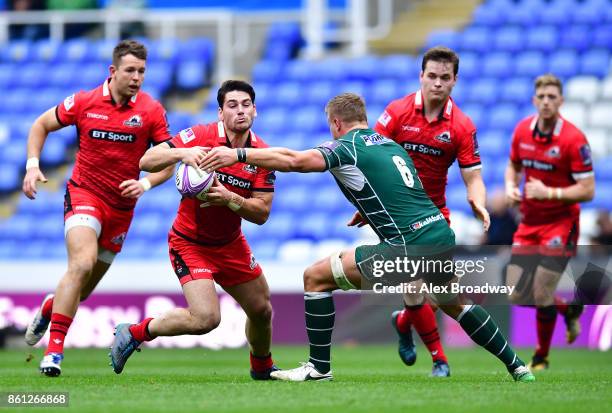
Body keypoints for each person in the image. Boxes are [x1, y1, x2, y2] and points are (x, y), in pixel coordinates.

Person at [200, 92, 534, 383]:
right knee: (455, 303)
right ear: (363, 118)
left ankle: (318, 368)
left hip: (407, 244)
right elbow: (402, 189)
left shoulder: (349, 146)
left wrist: (238, 155)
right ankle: (518, 366)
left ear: (335, 123)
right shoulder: (390, 145)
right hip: (439, 234)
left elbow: (295, 161)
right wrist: (369, 209)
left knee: (315, 277)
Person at [22, 40, 174, 377]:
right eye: (130, 70)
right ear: (113, 71)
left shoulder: (151, 111)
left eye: (142, 71)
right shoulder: (85, 101)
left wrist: (146, 183)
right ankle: (54, 353)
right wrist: (32, 165)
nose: (137, 77)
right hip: (84, 194)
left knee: (82, 288)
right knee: (81, 263)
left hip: (122, 209)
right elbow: (40, 125)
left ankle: (51, 305)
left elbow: (169, 161)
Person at [109, 80, 279, 380]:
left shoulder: (261, 154)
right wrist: (182, 154)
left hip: (231, 244)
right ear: (220, 113)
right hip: (190, 243)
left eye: (246, 105)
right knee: (206, 319)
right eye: (232, 105)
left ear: (255, 110)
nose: (240, 111)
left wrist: (230, 198)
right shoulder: (200, 136)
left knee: (262, 310)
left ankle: (262, 369)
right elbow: (146, 160)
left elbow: (262, 213)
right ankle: (135, 331)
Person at [374, 46, 490, 377]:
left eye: (445, 78)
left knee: (440, 296)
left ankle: (403, 320)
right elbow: (371, 158)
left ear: (455, 81)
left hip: (435, 214)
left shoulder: (462, 127)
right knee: (413, 283)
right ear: (421, 76)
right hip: (396, 213)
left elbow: (474, 177)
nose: (437, 83)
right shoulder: (396, 113)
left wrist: (477, 200)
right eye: (432, 76)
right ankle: (440, 360)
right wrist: (369, 205)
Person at [504, 74, 594, 370]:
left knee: (542, 290)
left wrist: (549, 192)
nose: (546, 102)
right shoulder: (522, 131)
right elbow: (513, 166)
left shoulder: (573, 139)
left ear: (561, 101)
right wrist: (510, 186)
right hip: (529, 223)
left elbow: (588, 189)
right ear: (534, 100)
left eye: (552, 97)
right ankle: (567, 310)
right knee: (516, 294)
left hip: (561, 223)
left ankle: (541, 357)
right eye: (541, 97)